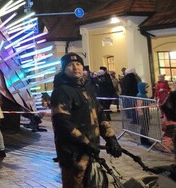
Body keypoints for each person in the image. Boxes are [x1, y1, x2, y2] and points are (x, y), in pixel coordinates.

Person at [51, 53, 122, 188]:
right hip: (73, 155)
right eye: (70, 65)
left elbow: (100, 114)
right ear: (64, 69)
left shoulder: (88, 88)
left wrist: (111, 139)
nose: (75, 67)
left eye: (78, 64)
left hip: (91, 152)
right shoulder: (61, 91)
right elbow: (63, 123)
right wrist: (85, 143)